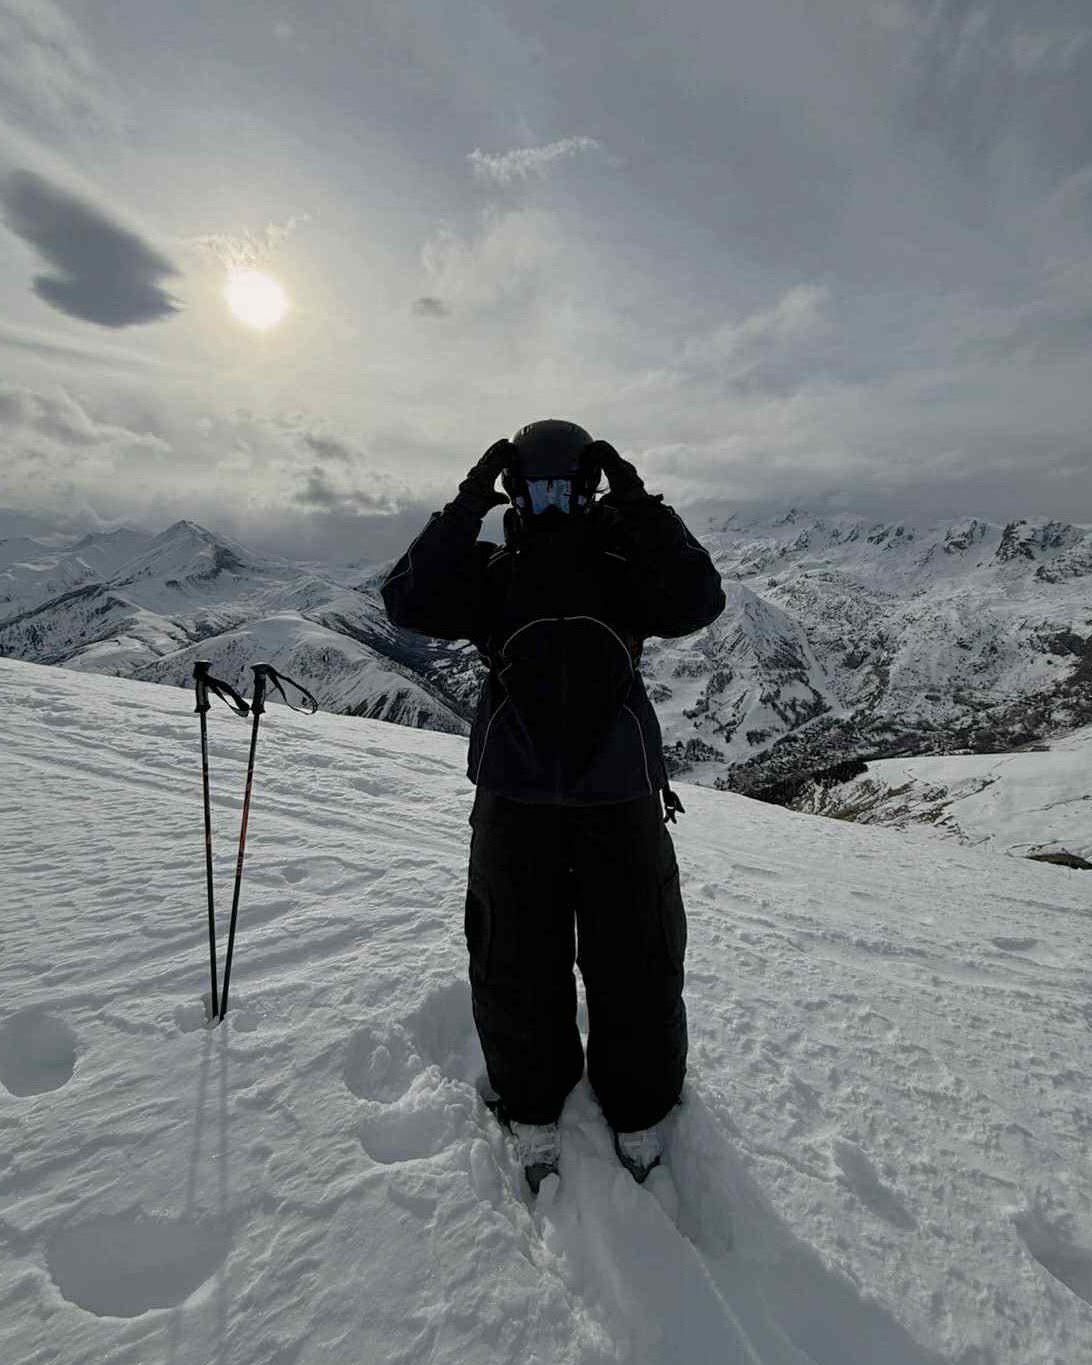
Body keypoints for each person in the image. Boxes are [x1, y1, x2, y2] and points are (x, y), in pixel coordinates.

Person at [381, 420, 726, 1191]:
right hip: (528, 796)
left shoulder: (621, 562)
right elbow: (405, 598)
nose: (551, 505)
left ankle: (639, 1105)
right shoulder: (493, 571)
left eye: (565, 489)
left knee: (636, 953)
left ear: (587, 488)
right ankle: (533, 1103)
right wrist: (470, 496)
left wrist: (637, 498)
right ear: (515, 493)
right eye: (533, 490)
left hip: (603, 796)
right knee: (514, 954)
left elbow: (701, 596)